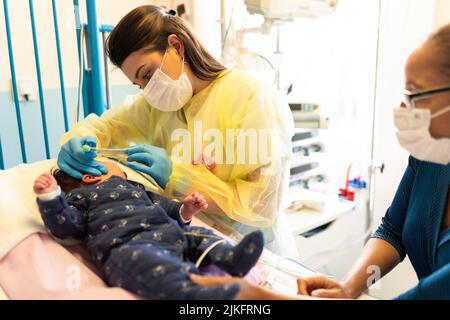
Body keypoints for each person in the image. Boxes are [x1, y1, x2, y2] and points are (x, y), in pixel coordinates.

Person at [57, 5, 295, 257]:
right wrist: (76, 142)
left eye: (147, 74)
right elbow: (106, 127)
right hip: (193, 245)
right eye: (139, 84)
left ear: (176, 46)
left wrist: (176, 177)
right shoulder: (153, 108)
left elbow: (261, 206)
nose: (147, 90)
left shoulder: (251, 96)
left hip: (254, 252)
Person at [296, 23, 450, 300]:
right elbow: (394, 231)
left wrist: (250, 295)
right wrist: (351, 286)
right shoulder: (433, 157)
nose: (402, 109)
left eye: (414, 95)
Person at [33, 161, 266, 300]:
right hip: (128, 245)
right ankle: (191, 294)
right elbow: (65, 226)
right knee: (146, 265)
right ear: (91, 175)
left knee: (200, 237)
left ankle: (231, 258)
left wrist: (186, 209)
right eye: (113, 165)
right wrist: (51, 198)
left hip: (170, 232)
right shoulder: (79, 198)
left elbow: (166, 206)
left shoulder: (135, 187)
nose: (124, 171)